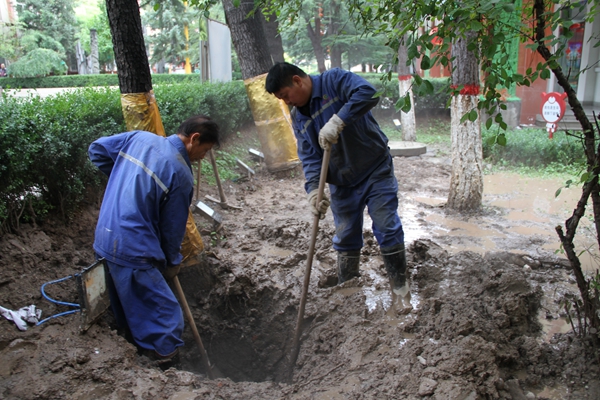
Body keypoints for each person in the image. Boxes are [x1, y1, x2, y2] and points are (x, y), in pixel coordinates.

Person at [265, 62, 407, 296]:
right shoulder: (299, 118)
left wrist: (339, 120)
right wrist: (313, 190)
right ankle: (348, 292)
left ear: (297, 81)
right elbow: (310, 157)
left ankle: (400, 288)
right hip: (341, 182)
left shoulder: (334, 81)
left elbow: (369, 93)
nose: (287, 102)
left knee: (385, 224)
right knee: (346, 235)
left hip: (374, 168)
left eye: (285, 95)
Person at [88, 115, 220, 362]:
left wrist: (127, 181)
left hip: (104, 239)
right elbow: (172, 230)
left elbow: (96, 150)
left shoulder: (138, 138)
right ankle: (166, 367)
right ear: (194, 139)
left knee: (128, 307)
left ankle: (136, 350)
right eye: (205, 150)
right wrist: (172, 262)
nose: (203, 157)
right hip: (133, 249)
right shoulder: (180, 173)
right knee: (166, 319)